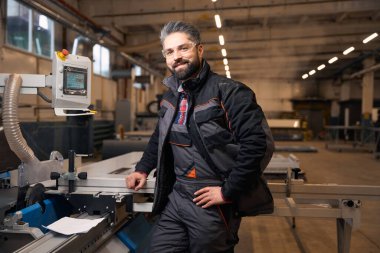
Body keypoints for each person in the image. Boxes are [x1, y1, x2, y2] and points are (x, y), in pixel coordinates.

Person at [126, 21, 274, 253]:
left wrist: (228, 191)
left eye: (183, 48)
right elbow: (160, 137)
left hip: (210, 200)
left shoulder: (230, 92)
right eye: (170, 51)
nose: (177, 56)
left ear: (200, 50)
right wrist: (142, 168)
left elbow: (257, 145)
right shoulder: (171, 97)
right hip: (177, 195)